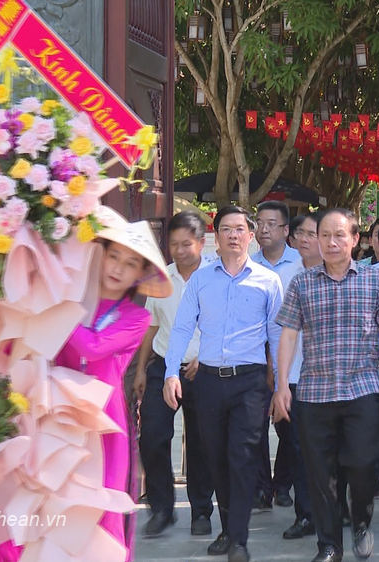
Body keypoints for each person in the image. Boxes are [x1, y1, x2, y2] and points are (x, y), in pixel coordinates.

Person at [273, 208, 379, 562]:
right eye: (324, 235)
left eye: (339, 235)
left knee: (363, 465)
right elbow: (288, 334)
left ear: (355, 240)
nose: (331, 242)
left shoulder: (374, 280)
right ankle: (329, 545)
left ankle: (360, 519)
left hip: (362, 388)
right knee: (320, 474)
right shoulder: (302, 282)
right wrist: (282, 384)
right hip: (314, 393)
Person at [163, 205, 283, 562]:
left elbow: (276, 336)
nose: (233, 235)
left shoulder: (268, 280)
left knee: (242, 458)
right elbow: (183, 327)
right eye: (226, 229)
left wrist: (280, 385)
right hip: (210, 382)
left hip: (250, 382)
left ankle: (239, 539)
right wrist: (171, 372)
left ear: (250, 235)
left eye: (240, 229)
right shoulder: (201, 280)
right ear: (216, 237)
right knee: (217, 459)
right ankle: (229, 529)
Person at [51, 218, 172, 562]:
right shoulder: (74, 300)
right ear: (99, 256)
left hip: (103, 422)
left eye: (130, 263)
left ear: (140, 274)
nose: (118, 268)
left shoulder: (135, 316)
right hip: (58, 413)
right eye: (113, 256)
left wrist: (57, 309)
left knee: (100, 510)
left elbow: (92, 348)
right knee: (57, 505)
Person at [134, 211, 215, 538]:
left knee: (200, 443)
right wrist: (140, 369)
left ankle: (201, 511)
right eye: (174, 245)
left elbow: (224, 326)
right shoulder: (161, 279)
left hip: (202, 370)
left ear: (200, 242)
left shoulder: (214, 276)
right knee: (152, 436)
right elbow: (151, 326)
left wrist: (207, 356)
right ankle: (162, 509)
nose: (180, 250)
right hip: (163, 367)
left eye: (186, 244)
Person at [251, 201, 303, 512]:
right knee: (255, 426)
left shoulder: (300, 265)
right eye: (259, 223)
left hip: (292, 360)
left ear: (286, 230)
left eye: (271, 223)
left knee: (288, 425)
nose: (264, 229)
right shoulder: (247, 264)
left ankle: (283, 483)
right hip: (255, 358)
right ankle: (262, 487)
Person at [278, 212, 321, 540]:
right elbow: (274, 331)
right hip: (294, 376)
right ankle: (305, 514)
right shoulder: (284, 278)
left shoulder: (345, 276)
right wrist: (278, 379)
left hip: (331, 378)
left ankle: (337, 508)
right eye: (301, 233)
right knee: (299, 448)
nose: (306, 239)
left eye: (313, 233)